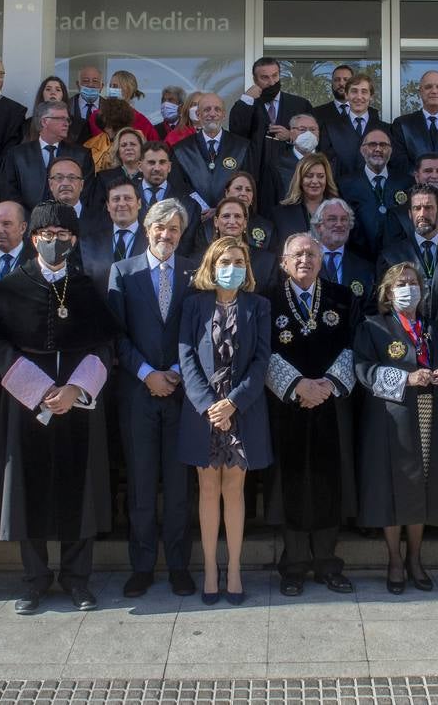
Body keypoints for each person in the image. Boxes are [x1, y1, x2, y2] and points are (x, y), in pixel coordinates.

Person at [0, 202, 118, 615]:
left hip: (76, 404)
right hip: (29, 404)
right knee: (29, 491)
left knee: (81, 492)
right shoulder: (10, 286)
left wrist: (76, 389)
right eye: (46, 235)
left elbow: (105, 343)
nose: (54, 241)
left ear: (73, 240)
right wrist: (40, 390)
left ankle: (78, 580)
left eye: (62, 235)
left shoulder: (87, 286)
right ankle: (34, 581)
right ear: (32, 237)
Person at [108, 199, 199, 598]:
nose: (167, 235)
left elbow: (199, 331)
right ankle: (142, 565)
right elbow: (116, 334)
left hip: (182, 394)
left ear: (182, 233)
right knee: (143, 485)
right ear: (147, 230)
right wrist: (147, 374)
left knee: (179, 487)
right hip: (138, 393)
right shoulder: (122, 272)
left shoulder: (194, 273)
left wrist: (176, 373)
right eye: (160, 228)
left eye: (174, 229)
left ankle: (179, 565)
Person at [353, 262, 438, 594]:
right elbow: (364, 370)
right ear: (387, 291)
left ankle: (415, 557)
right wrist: (406, 378)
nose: (408, 287)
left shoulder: (435, 328)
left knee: (422, 486)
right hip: (392, 418)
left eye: (413, 282)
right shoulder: (373, 326)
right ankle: (394, 559)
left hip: (431, 414)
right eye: (400, 283)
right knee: (391, 487)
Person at [178, 237, 272, 604]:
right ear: (211, 266)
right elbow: (186, 357)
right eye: (223, 261)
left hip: (242, 411)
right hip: (203, 413)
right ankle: (210, 571)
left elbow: (261, 360)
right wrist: (208, 405)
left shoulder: (259, 306)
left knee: (234, 491)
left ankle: (233, 569)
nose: (230, 267)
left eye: (237, 260)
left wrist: (233, 403)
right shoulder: (193, 305)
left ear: (246, 266)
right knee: (207, 490)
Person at [266, 233, 358, 597]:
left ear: (322, 260)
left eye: (311, 254)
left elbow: (353, 346)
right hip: (286, 404)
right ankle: (293, 566)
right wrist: (297, 385)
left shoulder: (342, 297)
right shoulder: (267, 301)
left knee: (327, 481)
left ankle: (327, 563)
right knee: (291, 484)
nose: (305, 259)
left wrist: (328, 385)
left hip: (330, 405)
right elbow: (263, 349)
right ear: (283, 262)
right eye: (297, 254)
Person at [377, 183, 438, 330]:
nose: (422, 214)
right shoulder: (391, 257)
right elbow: (383, 304)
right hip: (407, 339)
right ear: (410, 214)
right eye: (417, 208)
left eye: (428, 208)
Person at [328, 128, 406, 261]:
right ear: (362, 150)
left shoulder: (405, 183)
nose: (378, 149)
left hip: (397, 259)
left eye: (383, 145)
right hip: (359, 259)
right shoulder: (344, 185)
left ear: (391, 151)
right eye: (372, 145)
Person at [0, 100, 91, 211]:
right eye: (61, 119)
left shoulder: (81, 155)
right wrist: (29, 219)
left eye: (67, 119)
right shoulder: (17, 155)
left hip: (69, 222)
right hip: (27, 223)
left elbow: (86, 193)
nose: (66, 123)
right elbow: (8, 192)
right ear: (44, 122)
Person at [173, 93, 252, 215]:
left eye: (217, 109)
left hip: (231, 218)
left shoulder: (241, 147)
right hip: (195, 219)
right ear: (198, 115)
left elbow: (247, 185)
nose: (212, 114)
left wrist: (222, 209)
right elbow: (178, 187)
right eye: (207, 109)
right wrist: (200, 209)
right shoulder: (182, 149)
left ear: (224, 115)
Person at [389, 71, 438, 172]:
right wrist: (422, 178)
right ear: (420, 91)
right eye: (428, 87)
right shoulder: (402, 124)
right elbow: (399, 160)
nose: (434, 91)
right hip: (413, 185)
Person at [229, 56, 314, 147]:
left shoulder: (300, 105)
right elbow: (236, 135)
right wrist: (246, 99)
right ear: (255, 80)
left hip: (290, 160)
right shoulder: (247, 104)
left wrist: (290, 136)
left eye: (275, 76)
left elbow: (313, 138)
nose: (272, 82)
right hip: (256, 160)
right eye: (265, 77)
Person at [82, 177, 148, 292]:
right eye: (116, 199)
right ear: (108, 206)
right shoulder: (89, 243)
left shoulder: (153, 240)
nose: (122, 203)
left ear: (139, 203)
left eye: (128, 198)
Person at [311, 198, 375, 314]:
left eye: (344, 219)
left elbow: (370, 311)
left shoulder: (366, 269)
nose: (339, 224)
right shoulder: (305, 262)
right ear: (318, 227)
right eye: (332, 219)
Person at [318, 72, 386, 181]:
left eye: (364, 92)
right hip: (340, 191)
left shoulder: (386, 130)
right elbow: (326, 164)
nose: (359, 97)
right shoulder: (330, 128)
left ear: (371, 96)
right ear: (346, 95)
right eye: (354, 91)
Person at [271, 152, 338, 247]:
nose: (315, 181)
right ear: (300, 179)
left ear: (327, 180)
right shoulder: (280, 214)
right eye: (309, 176)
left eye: (320, 176)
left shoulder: (340, 212)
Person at [69, 64, 104, 145]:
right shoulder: (66, 106)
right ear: (78, 85)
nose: (90, 85)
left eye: (95, 81)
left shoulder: (110, 108)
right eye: (86, 81)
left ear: (101, 86)